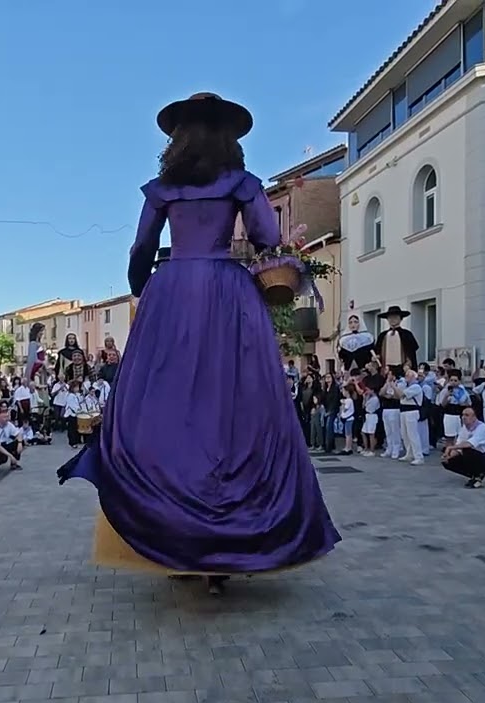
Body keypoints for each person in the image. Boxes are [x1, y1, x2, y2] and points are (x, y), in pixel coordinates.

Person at [57, 92, 340, 594]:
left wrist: (146, 286)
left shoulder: (162, 188)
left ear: (176, 139)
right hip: (228, 295)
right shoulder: (243, 183)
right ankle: (228, 548)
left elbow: (142, 247)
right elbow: (266, 235)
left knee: (164, 410)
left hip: (172, 292)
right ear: (230, 138)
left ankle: (175, 534)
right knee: (237, 409)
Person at [441, 408, 485, 489]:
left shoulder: (482, 428)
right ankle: (474, 475)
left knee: (467, 450)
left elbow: (469, 444)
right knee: (449, 462)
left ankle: (479, 475)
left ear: (474, 417)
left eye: (467, 415)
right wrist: (448, 456)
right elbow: (459, 446)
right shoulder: (464, 428)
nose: (463, 417)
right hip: (475, 454)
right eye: (462, 415)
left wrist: (450, 447)